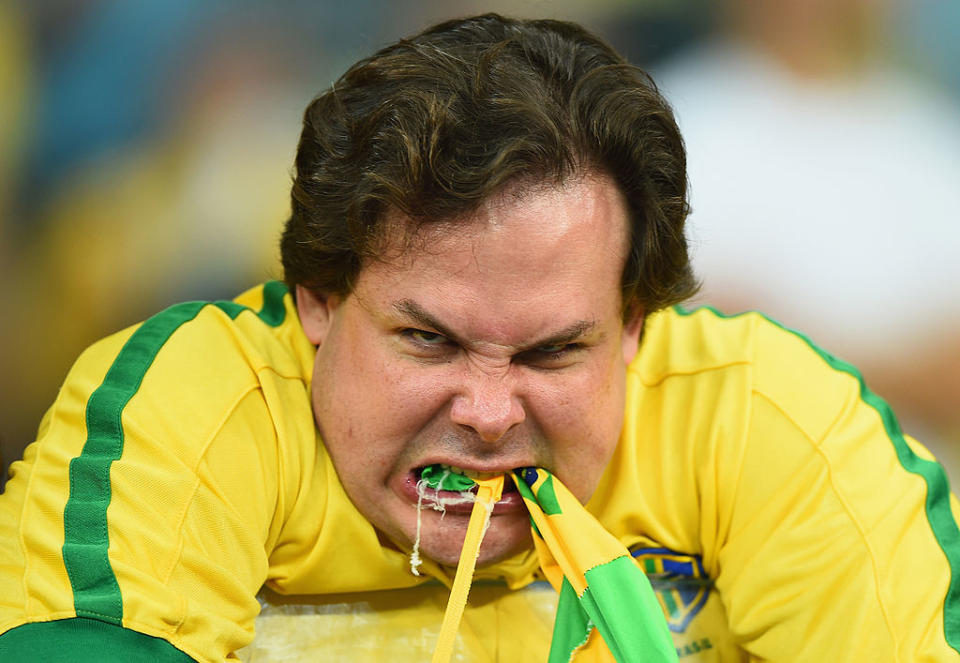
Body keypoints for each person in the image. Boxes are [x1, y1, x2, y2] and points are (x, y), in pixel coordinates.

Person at [1, 13, 957, 663]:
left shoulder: (768, 420)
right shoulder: (187, 412)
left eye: (552, 352)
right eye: (429, 339)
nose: (491, 415)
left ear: (634, 325)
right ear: (318, 299)